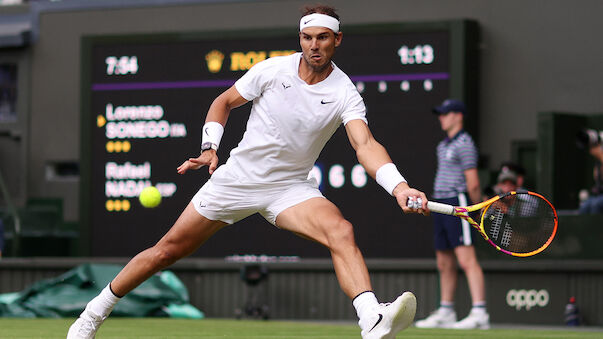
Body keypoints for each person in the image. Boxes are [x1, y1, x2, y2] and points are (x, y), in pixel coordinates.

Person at [67, 5, 428, 339]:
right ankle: (92, 315)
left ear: (337, 40)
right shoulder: (273, 70)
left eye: (322, 37)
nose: (314, 45)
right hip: (238, 179)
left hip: (290, 188)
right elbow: (223, 102)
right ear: (300, 39)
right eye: (307, 37)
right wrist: (210, 148)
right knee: (165, 253)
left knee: (341, 230)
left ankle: (371, 318)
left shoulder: (344, 92)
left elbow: (364, 145)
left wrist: (398, 186)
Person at [414, 99, 490, 330]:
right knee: (444, 261)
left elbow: (473, 182)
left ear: (458, 116)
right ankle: (446, 310)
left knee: (467, 260)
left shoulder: (465, 143)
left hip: (460, 203)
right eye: (440, 114)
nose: (441, 118)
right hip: (440, 204)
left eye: (446, 114)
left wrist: (476, 210)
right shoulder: (442, 146)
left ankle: (479, 313)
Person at [579, 143, 603, 214]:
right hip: (598, 195)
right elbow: (596, 178)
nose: (592, 150)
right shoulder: (597, 162)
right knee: (584, 206)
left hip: (599, 199)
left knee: (595, 205)